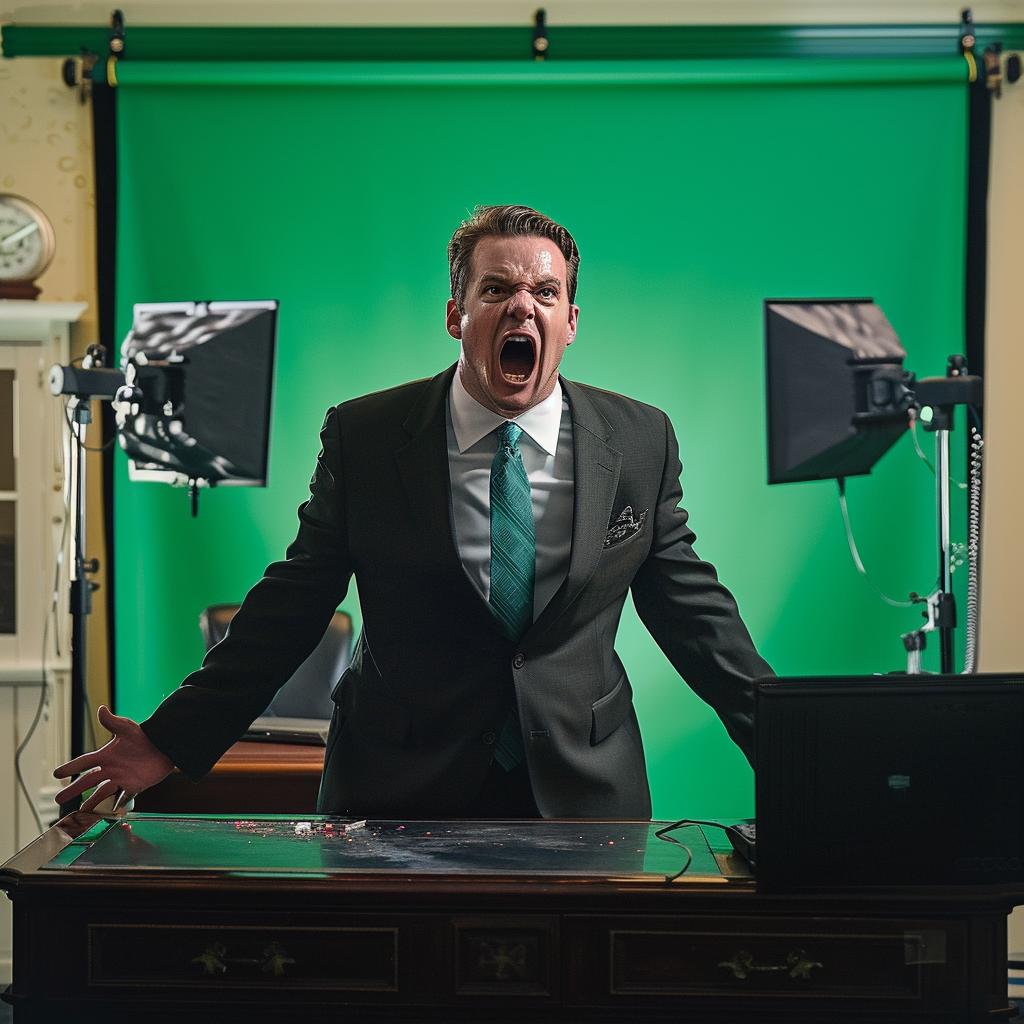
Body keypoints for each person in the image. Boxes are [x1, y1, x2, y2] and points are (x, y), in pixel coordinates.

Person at [55, 205, 772, 820]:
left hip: (584, 793)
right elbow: (294, 603)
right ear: (457, 315)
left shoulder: (640, 441)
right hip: (398, 788)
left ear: (571, 321)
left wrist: (795, 752)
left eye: (545, 292)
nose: (523, 305)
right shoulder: (367, 437)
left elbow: (694, 614)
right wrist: (170, 738)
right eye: (498, 288)